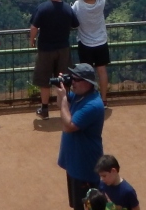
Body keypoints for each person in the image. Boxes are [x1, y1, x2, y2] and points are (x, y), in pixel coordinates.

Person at [58, 63, 106, 210]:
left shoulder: (92, 105)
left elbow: (69, 126)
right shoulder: (79, 96)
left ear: (87, 83)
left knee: (88, 207)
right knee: (77, 205)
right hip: (74, 162)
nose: (72, 82)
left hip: (84, 166)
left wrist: (64, 98)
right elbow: (61, 106)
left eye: (76, 79)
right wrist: (62, 91)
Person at [32, 0, 80, 118]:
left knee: (45, 80)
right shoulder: (67, 8)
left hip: (46, 49)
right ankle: (65, 108)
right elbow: (75, 24)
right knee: (64, 79)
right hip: (63, 48)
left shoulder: (42, 8)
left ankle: (44, 109)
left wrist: (32, 39)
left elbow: (34, 27)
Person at [73, 0, 111, 105]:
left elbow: (71, 17)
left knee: (86, 74)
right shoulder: (100, 2)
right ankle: (103, 99)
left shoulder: (78, 5)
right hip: (101, 41)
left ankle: (88, 100)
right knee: (102, 71)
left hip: (85, 43)